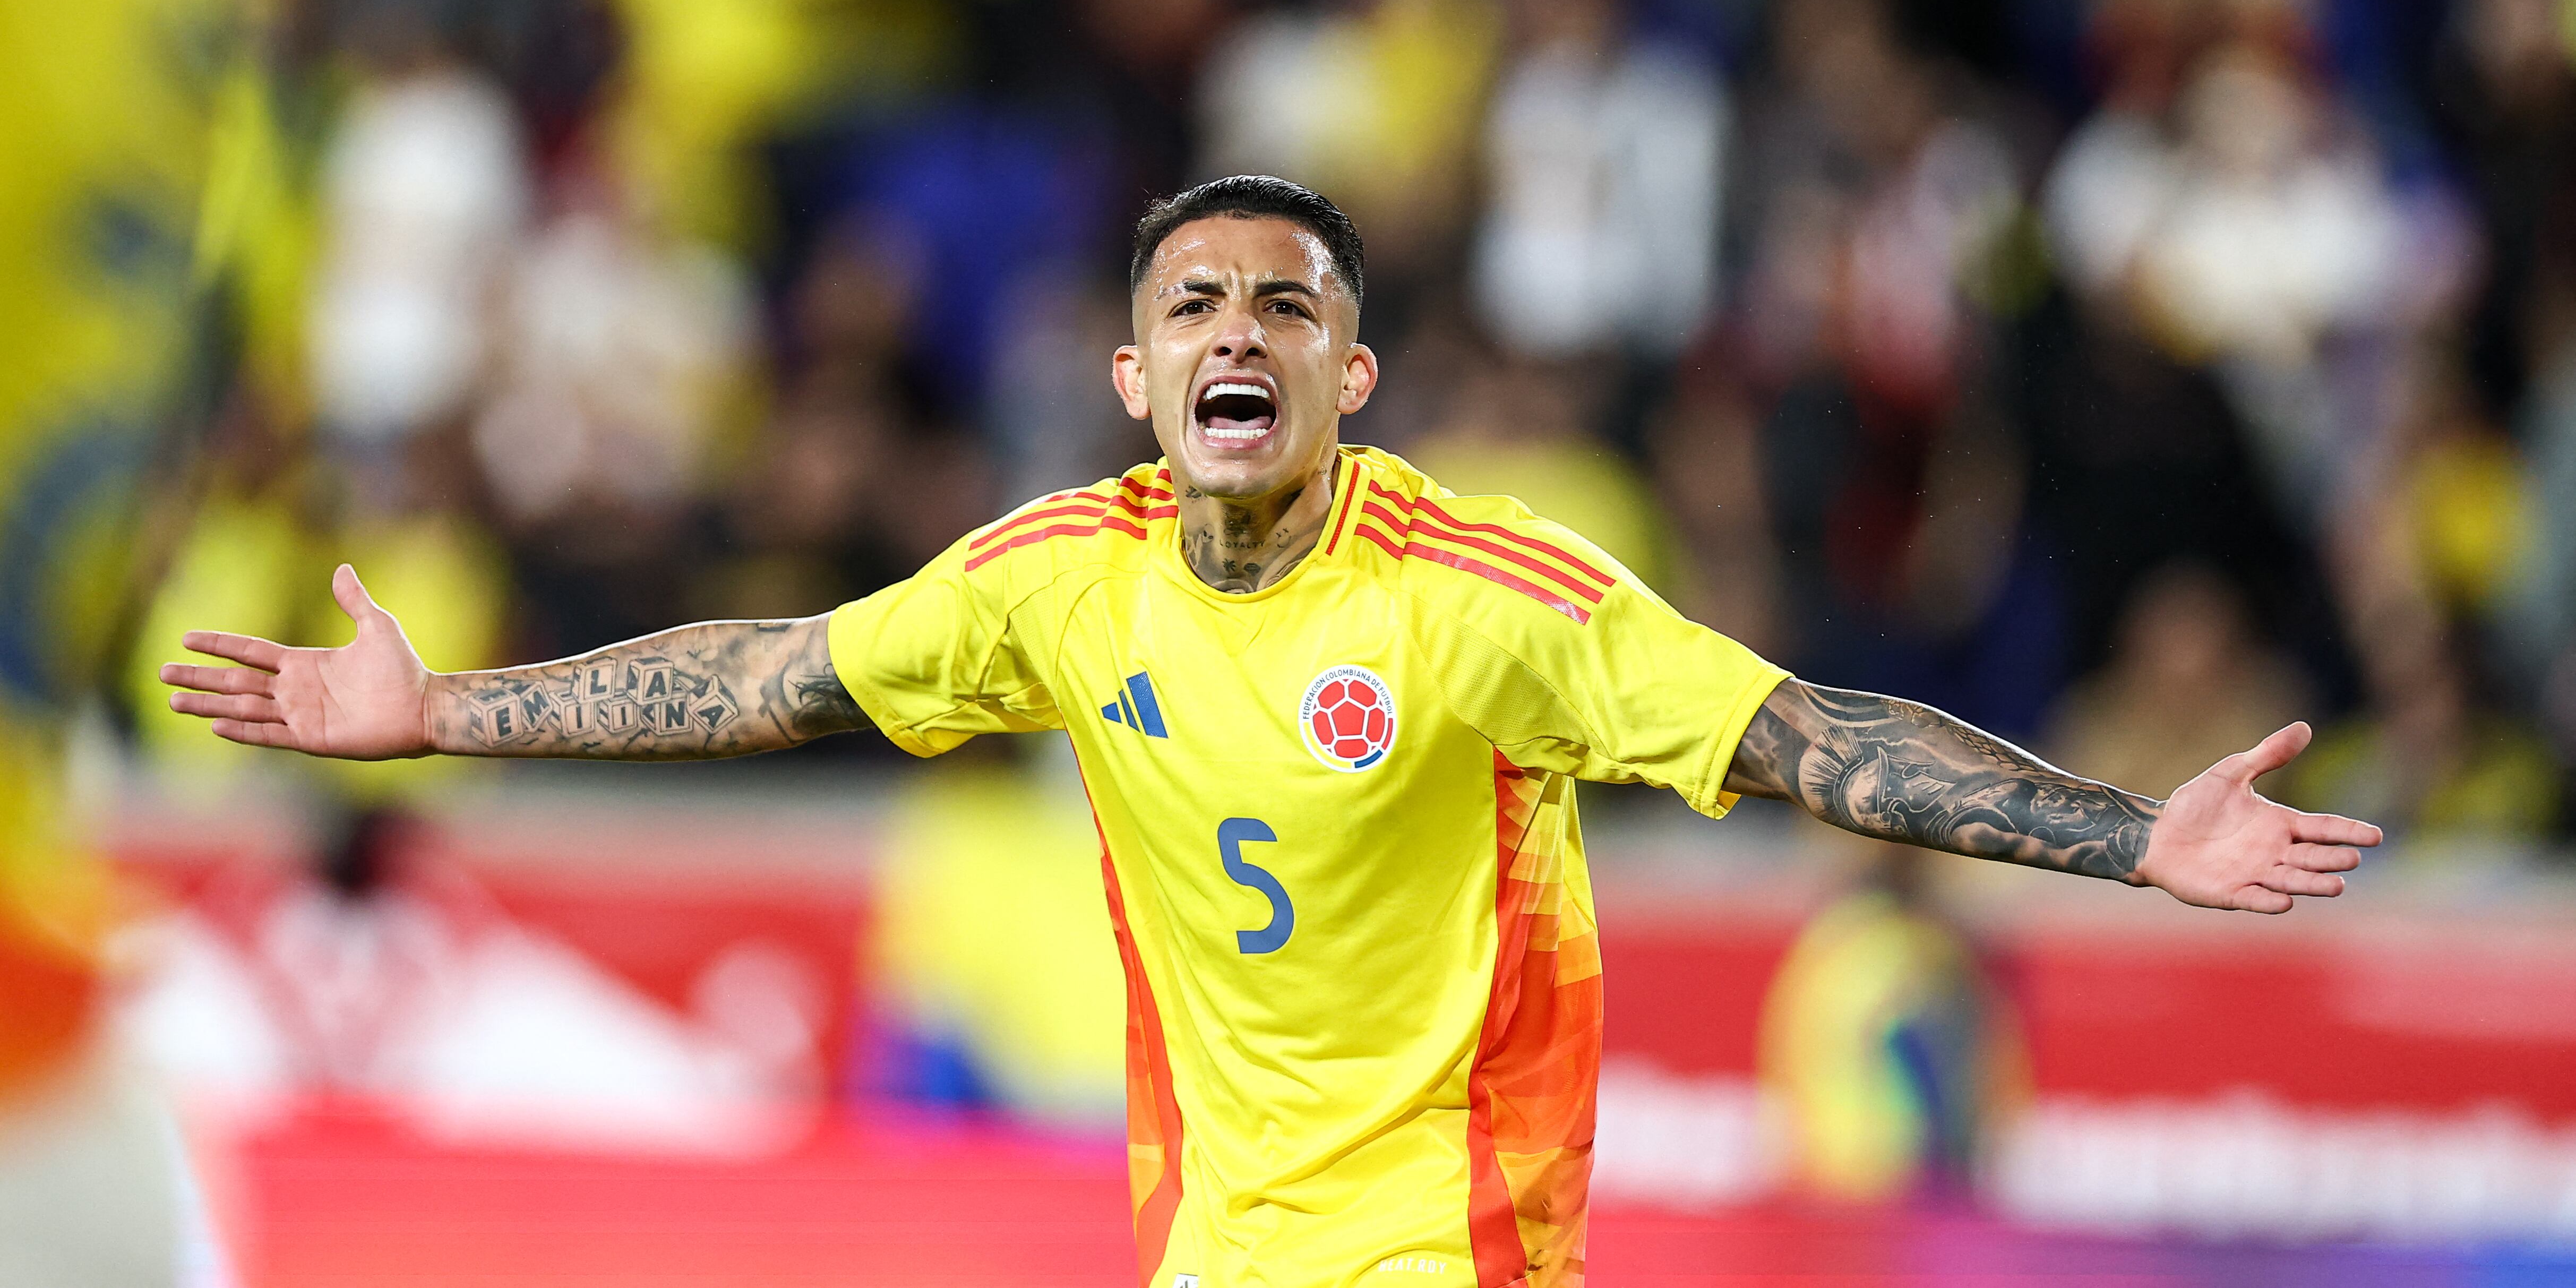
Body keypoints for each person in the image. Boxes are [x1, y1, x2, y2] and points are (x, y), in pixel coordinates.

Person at [167, 175, 2384, 1288]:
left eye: (1287, 307)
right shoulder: (1059, 571)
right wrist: (440, 702)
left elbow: (1808, 734)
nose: (1240, 330)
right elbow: (776, 667)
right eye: (1194, 305)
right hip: (1206, 1246)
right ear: (1135, 377)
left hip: (1445, 1246)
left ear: (1353, 377)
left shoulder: (1480, 596)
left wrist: (2127, 836)